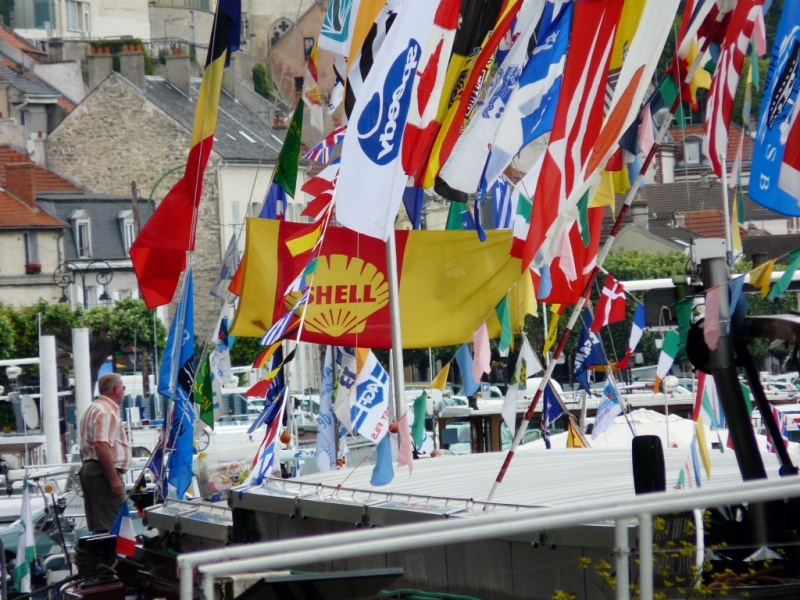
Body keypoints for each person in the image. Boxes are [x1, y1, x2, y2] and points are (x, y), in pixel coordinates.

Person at [78, 373, 132, 533]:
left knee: (101, 527)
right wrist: (114, 478)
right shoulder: (106, 411)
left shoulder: (93, 408)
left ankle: (102, 557)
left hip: (93, 471)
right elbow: (101, 445)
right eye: (123, 387)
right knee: (114, 527)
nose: (123, 391)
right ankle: (109, 558)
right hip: (103, 473)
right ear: (116, 388)